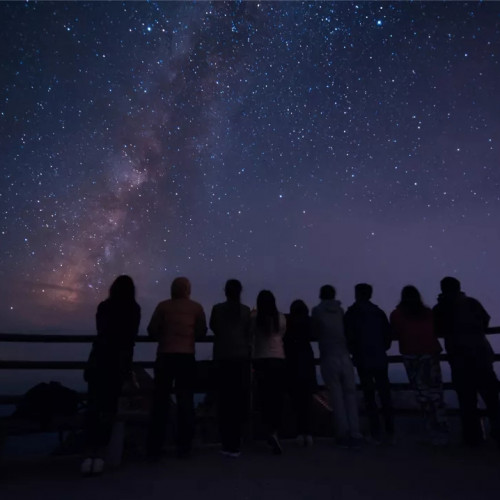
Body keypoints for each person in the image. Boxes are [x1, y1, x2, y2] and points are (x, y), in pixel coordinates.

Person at [81, 275, 141, 476]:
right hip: (117, 365)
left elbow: (101, 332)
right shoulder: (134, 309)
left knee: (93, 408)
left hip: (98, 361)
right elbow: (130, 340)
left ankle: (88, 455)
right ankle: (99, 458)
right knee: (108, 410)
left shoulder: (104, 306)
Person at [433, 277, 500, 447]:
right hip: (481, 356)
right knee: (492, 399)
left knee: (466, 401)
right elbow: (485, 320)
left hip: (459, 359)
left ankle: (473, 438)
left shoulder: (440, 309)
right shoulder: (471, 303)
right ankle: (497, 432)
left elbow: (437, 329)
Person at [146, 277, 207, 459]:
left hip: (165, 356)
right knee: (186, 401)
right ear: (188, 289)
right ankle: (184, 445)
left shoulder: (163, 306)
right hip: (186, 357)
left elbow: (151, 330)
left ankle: (156, 446)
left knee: (160, 401)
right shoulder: (196, 308)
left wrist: (165, 336)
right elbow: (202, 331)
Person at [390, 285, 448, 445]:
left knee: (422, 393)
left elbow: (395, 332)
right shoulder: (428, 313)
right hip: (430, 353)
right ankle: (442, 430)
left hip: (411, 355)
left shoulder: (397, 315)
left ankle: (432, 431)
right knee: (436, 392)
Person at [312, 285, 362, 448]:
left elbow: (315, 331)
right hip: (345, 355)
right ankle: (356, 432)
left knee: (336, 396)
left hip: (329, 356)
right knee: (350, 394)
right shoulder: (340, 311)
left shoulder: (317, 311)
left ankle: (342, 433)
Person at [344, 283, 394, 443]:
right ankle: (390, 428)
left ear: (357, 294)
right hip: (380, 356)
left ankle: (375, 430)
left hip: (362, 358)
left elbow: (348, 336)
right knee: (384, 392)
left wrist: (355, 350)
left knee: (369, 394)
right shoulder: (378, 313)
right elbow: (388, 337)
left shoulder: (352, 313)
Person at [209, 279, 251, 457]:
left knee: (225, 401)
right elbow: (248, 333)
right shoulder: (246, 311)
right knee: (239, 400)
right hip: (241, 359)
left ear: (225, 291)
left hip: (223, 358)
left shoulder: (217, 309)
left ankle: (227, 443)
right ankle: (237, 441)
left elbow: (214, 327)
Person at [251, 290, 287, 455]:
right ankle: (275, 431)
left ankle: (268, 432)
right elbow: (282, 334)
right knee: (277, 397)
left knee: (264, 397)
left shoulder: (255, 319)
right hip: (278, 359)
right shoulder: (280, 318)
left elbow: (250, 334)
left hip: (261, 360)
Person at [284, 300, 317, 447]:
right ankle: (308, 433)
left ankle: (298, 433)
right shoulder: (308, 323)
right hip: (307, 361)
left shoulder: (288, 323)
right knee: (307, 400)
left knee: (295, 401)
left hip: (292, 362)